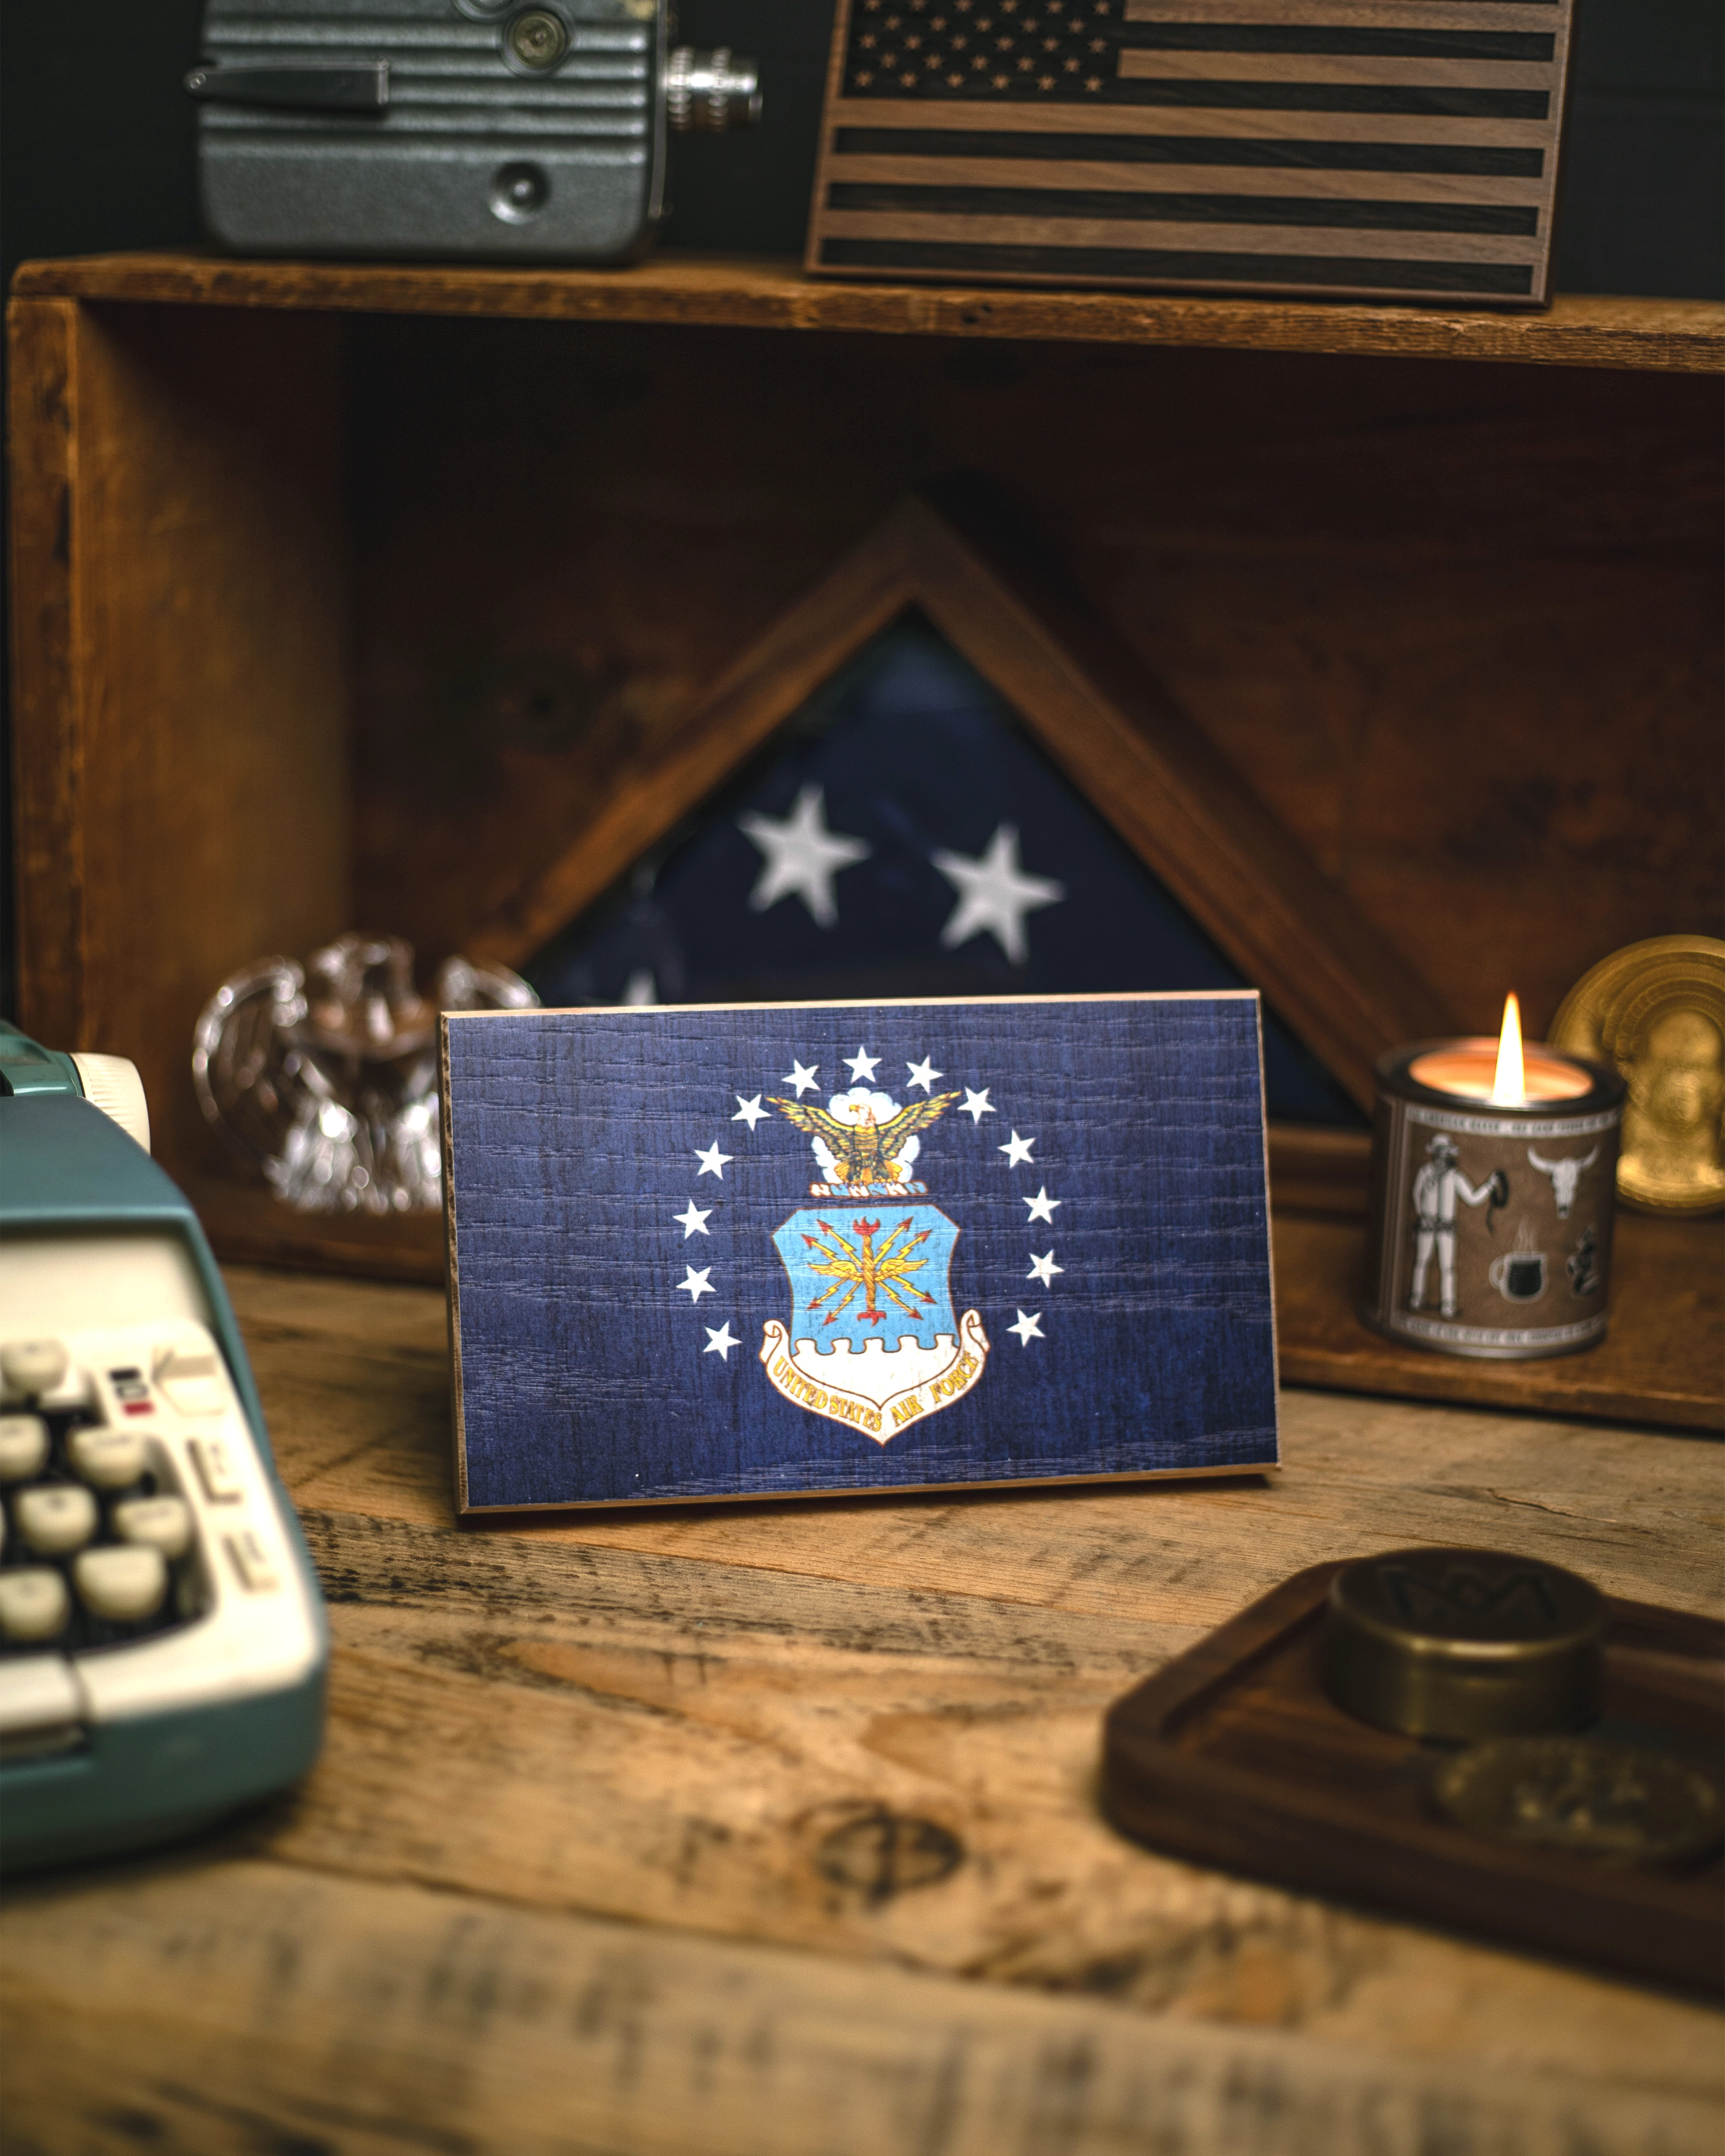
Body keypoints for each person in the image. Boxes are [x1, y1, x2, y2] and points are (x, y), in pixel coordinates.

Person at [1409, 1135, 1501, 1319]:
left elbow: (1473, 1199)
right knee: (1421, 1262)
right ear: (1434, 1153)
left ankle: (1448, 1306)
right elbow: (1416, 1193)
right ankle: (1417, 1299)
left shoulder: (1455, 1176)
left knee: (1447, 1267)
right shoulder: (1425, 1172)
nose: (1441, 1156)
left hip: (1447, 1229)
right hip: (1427, 1226)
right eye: (1438, 1152)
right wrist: (1421, 1215)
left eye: (1444, 1152)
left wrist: (1490, 1186)